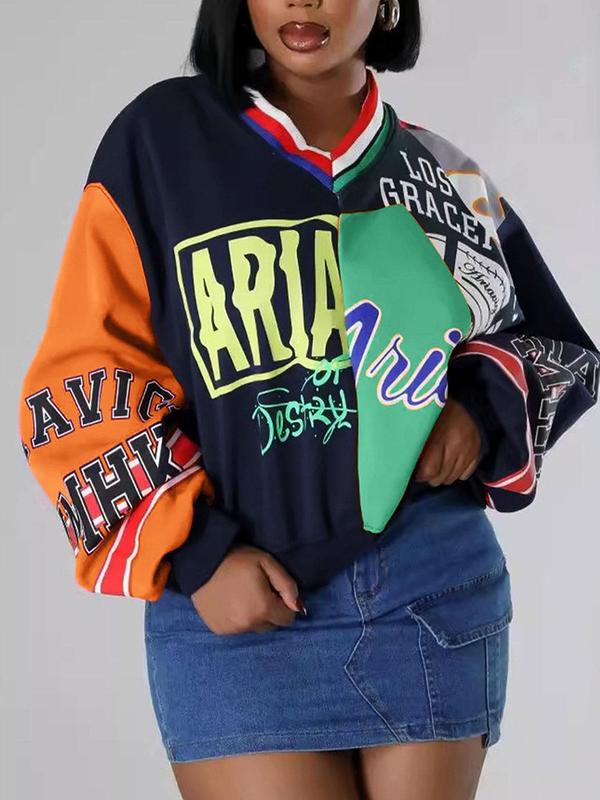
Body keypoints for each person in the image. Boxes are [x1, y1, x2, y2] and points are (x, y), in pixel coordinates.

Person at [18, 1, 600, 798]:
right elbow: (83, 375)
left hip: (431, 587)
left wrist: (476, 406)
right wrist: (197, 552)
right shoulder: (161, 142)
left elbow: (559, 348)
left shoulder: (442, 172)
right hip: (239, 613)